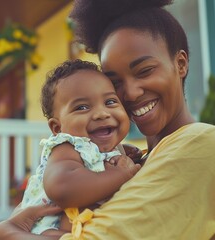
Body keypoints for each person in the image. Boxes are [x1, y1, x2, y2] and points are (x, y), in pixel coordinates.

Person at [0, 0, 215, 239]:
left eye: (145, 71)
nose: (131, 92)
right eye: (115, 82)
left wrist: (10, 232)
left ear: (180, 63)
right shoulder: (130, 160)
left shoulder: (205, 146)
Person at [21, 59, 141, 237]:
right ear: (57, 128)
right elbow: (62, 187)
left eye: (110, 102)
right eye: (82, 107)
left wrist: (124, 150)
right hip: (46, 228)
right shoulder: (66, 147)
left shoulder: (101, 147)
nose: (101, 113)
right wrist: (121, 175)